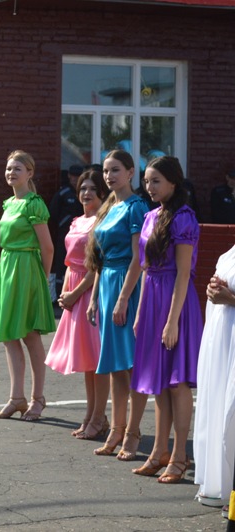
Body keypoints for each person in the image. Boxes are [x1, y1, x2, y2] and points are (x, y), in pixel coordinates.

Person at [129, 156, 202, 483]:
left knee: (177, 382)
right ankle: (159, 451)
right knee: (158, 381)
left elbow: (184, 275)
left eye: (156, 180)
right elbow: (145, 271)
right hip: (154, 301)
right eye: (146, 181)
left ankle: (180, 456)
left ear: (174, 182)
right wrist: (142, 313)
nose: (149, 186)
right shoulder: (149, 217)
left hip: (177, 303)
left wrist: (172, 321)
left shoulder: (184, 219)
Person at [87, 149, 150, 461]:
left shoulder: (137, 207)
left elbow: (139, 258)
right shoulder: (111, 205)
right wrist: (95, 297)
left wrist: (124, 298)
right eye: (106, 171)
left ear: (130, 172)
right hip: (108, 285)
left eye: (115, 170)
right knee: (113, 363)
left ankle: (133, 431)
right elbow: (99, 258)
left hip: (128, 284)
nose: (109, 176)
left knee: (131, 363)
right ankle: (116, 428)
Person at [0, 150, 56, 422]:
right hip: (8, 268)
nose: (11, 173)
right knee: (8, 335)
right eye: (8, 168)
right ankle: (17, 398)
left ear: (30, 173)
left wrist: (41, 281)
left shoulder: (33, 204)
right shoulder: (8, 204)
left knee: (29, 336)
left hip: (27, 270)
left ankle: (38, 399)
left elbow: (48, 247)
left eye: (17, 168)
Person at [45, 169, 110, 439]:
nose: (86, 193)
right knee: (86, 360)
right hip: (73, 285)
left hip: (91, 290)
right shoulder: (76, 220)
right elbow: (70, 259)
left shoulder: (102, 221)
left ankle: (99, 417)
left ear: (102, 194)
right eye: (83, 188)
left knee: (97, 359)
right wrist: (65, 291)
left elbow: (98, 265)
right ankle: (91, 415)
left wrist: (75, 294)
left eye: (92, 189)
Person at [194, 245, 235, 507]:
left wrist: (230, 298)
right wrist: (212, 291)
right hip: (221, 343)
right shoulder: (228, 254)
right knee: (219, 409)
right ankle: (220, 484)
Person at [50, 164, 84, 293]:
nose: (75, 179)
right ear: (69, 176)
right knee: (62, 261)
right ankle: (60, 291)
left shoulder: (85, 192)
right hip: (64, 235)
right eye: (73, 176)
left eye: (78, 176)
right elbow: (53, 213)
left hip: (82, 236)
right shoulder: (63, 193)